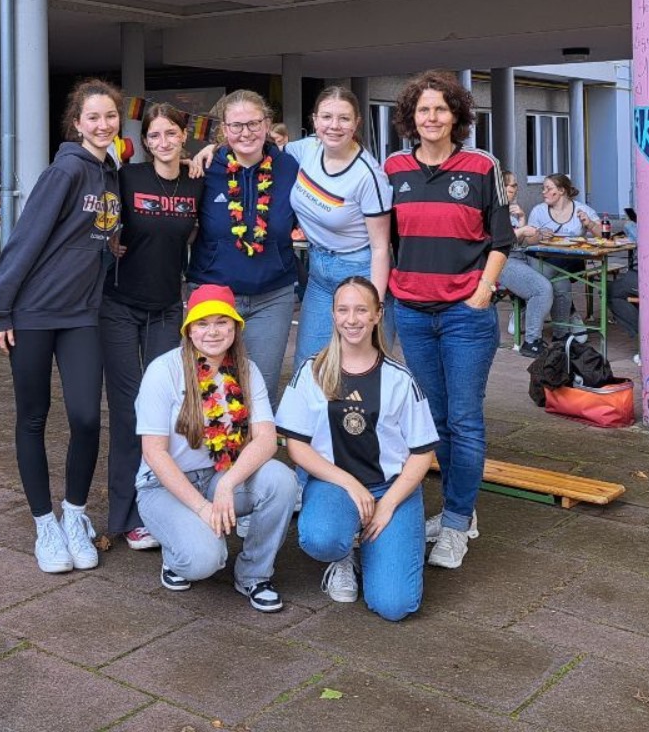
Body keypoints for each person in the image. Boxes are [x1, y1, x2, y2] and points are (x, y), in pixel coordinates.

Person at [0, 80, 122, 574]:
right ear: (77, 123)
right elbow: (26, 238)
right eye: (93, 117)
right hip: (34, 314)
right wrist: (0, 309)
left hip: (81, 314)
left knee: (86, 418)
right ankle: (45, 524)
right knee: (33, 417)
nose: (103, 125)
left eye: (110, 116)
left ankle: (75, 515)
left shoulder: (111, 175)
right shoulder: (65, 170)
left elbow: (93, 237)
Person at [383, 70, 511, 570]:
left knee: (464, 420)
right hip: (412, 312)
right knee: (435, 422)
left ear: (456, 115)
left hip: (465, 315)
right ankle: (461, 511)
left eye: (441, 108)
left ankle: (456, 523)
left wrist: (482, 292)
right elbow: (383, 238)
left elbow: (501, 240)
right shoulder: (393, 168)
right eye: (423, 110)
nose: (432, 117)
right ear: (410, 118)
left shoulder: (481, 166)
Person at [277, 277, 437, 620]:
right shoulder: (312, 371)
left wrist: (387, 505)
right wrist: (350, 484)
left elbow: (423, 451)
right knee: (321, 537)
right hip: (335, 485)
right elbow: (296, 446)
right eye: (343, 310)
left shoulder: (400, 378)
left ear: (378, 315)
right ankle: (343, 554)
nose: (352, 319)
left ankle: (380, 545)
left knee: (395, 606)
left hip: (391, 489)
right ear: (333, 315)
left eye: (361, 310)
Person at [135, 284, 297, 612]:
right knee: (204, 560)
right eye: (203, 323)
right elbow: (154, 453)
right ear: (188, 329)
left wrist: (228, 484)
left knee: (282, 481)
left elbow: (266, 439)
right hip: (163, 485)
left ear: (235, 328)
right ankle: (177, 554)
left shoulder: (246, 370)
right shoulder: (163, 371)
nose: (212, 332)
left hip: (219, 475)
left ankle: (254, 575)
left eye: (222, 322)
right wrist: (201, 508)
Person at [100, 103, 205, 551]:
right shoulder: (128, 178)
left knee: (164, 409)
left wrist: (210, 152)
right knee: (129, 411)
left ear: (184, 137)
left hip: (166, 309)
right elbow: (99, 216)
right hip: (119, 307)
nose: (164, 142)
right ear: (145, 141)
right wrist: (109, 238)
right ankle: (125, 517)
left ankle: (160, 504)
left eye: (171, 134)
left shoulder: (197, 181)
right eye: (155, 135)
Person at [188, 90, 301, 395]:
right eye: (236, 125)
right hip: (214, 294)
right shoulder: (204, 168)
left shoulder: (290, 167)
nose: (246, 132)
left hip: (272, 296)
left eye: (253, 123)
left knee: (261, 390)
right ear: (224, 129)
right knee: (212, 392)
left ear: (267, 124)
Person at [285, 87, 392, 369]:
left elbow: (381, 248)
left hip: (358, 271)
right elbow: (262, 151)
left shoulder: (368, 175)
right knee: (308, 364)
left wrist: (375, 305)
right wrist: (213, 150)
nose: (334, 125)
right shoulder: (307, 148)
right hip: (319, 272)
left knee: (355, 364)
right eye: (326, 117)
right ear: (314, 120)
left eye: (344, 118)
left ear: (356, 123)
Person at [524, 173, 602, 329]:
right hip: (544, 257)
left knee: (539, 273)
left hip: (572, 260)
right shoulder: (538, 211)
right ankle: (570, 313)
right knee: (559, 280)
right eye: (543, 188)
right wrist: (539, 235)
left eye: (548, 188)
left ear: (561, 190)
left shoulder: (581, 209)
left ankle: (525, 307)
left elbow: (603, 235)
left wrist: (590, 224)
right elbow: (529, 241)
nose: (544, 192)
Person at [496, 172, 556, 358]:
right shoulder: (492, 210)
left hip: (520, 255)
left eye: (515, 185)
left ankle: (566, 329)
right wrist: (521, 230)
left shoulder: (511, 210)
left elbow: (520, 242)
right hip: (500, 260)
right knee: (541, 288)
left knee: (556, 273)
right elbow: (496, 243)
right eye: (509, 185)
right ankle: (532, 341)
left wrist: (522, 219)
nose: (513, 189)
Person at [606, 206, 640, 364]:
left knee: (611, 291)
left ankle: (645, 336)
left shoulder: (644, 225)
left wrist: (629, 224)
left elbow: (639, 237)